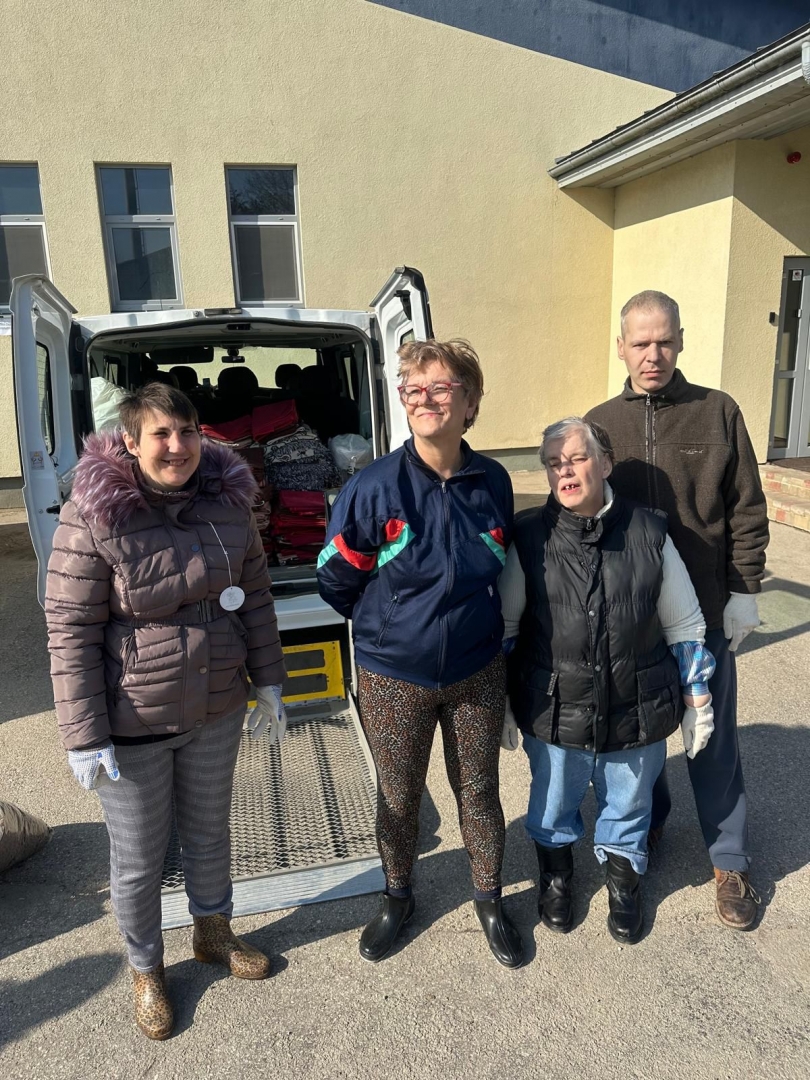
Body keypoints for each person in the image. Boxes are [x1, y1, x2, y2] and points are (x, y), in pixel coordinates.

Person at [45, 382, 287, 1040]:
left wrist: (269, 681)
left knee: (209, 833)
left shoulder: (229, 502)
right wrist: (84, 734)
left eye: (187, 432)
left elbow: (256, 595)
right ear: (130, 441)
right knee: (139, 859)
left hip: (215, 705)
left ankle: (212, 932)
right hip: (132, 720)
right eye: (160, 433)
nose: (177, 446)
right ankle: (147, 968)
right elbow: (70, 628)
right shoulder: (94, 512)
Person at [317, 339, 523, 968]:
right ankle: (398, 896)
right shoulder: (373, 487)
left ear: (471, 401)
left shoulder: (494, 482)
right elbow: (335, 578)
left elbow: (500, 563)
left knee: (480, 790)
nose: (424, 399)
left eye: (440, 387)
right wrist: (391, 625)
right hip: (393, 673)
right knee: (399, 796)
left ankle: (489, 898)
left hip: (476, 668)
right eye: (413, 389)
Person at [586, 290, 769, 930]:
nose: (653, 355)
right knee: (641, 738)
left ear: (682, 341)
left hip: (708, 615)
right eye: (641, 343)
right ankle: (650, 823)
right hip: (632, 619)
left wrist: (745, 588)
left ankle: (730, 859)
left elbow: (747, 507)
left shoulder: (718, 412)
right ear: (621, 347)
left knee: (711, 741)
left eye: (664, 341)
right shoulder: (600, 423)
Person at [500, 417, 715, 944]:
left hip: (637, 703)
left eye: (576, 458)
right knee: (552, 801)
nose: (565, 471)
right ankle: (556, 879)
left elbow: (685, 624)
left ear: (605, 463)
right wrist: (500, 700)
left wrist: (698, 699)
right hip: (554, 707)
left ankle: (624, 882)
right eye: (554, 463)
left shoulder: (649, 531)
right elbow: (506, 629)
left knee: (630, 802)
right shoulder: (528, 536)